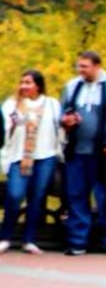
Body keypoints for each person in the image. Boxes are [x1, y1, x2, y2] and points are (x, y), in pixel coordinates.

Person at [59, 51, 106, 256]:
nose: (80, 70)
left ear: (97, 66)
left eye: (84, 66)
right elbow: (62, 112)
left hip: (103, 155)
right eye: (79, 66)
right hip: (76, 152)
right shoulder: (72, 87)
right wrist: (66, 121)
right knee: (76, 197)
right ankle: (77, 242)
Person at [1, 70, 60, 254]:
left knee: (37, 197)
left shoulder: (52, 104)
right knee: (15, 195)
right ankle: (5, 237)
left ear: (38, 85)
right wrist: (15, 122)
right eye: (22, 82)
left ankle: (29, 239)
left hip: (45, 156)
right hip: (19, 157)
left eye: (28, 82)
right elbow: (6, 129)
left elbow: (59, 127)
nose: (24, 86)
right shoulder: (12, 104)